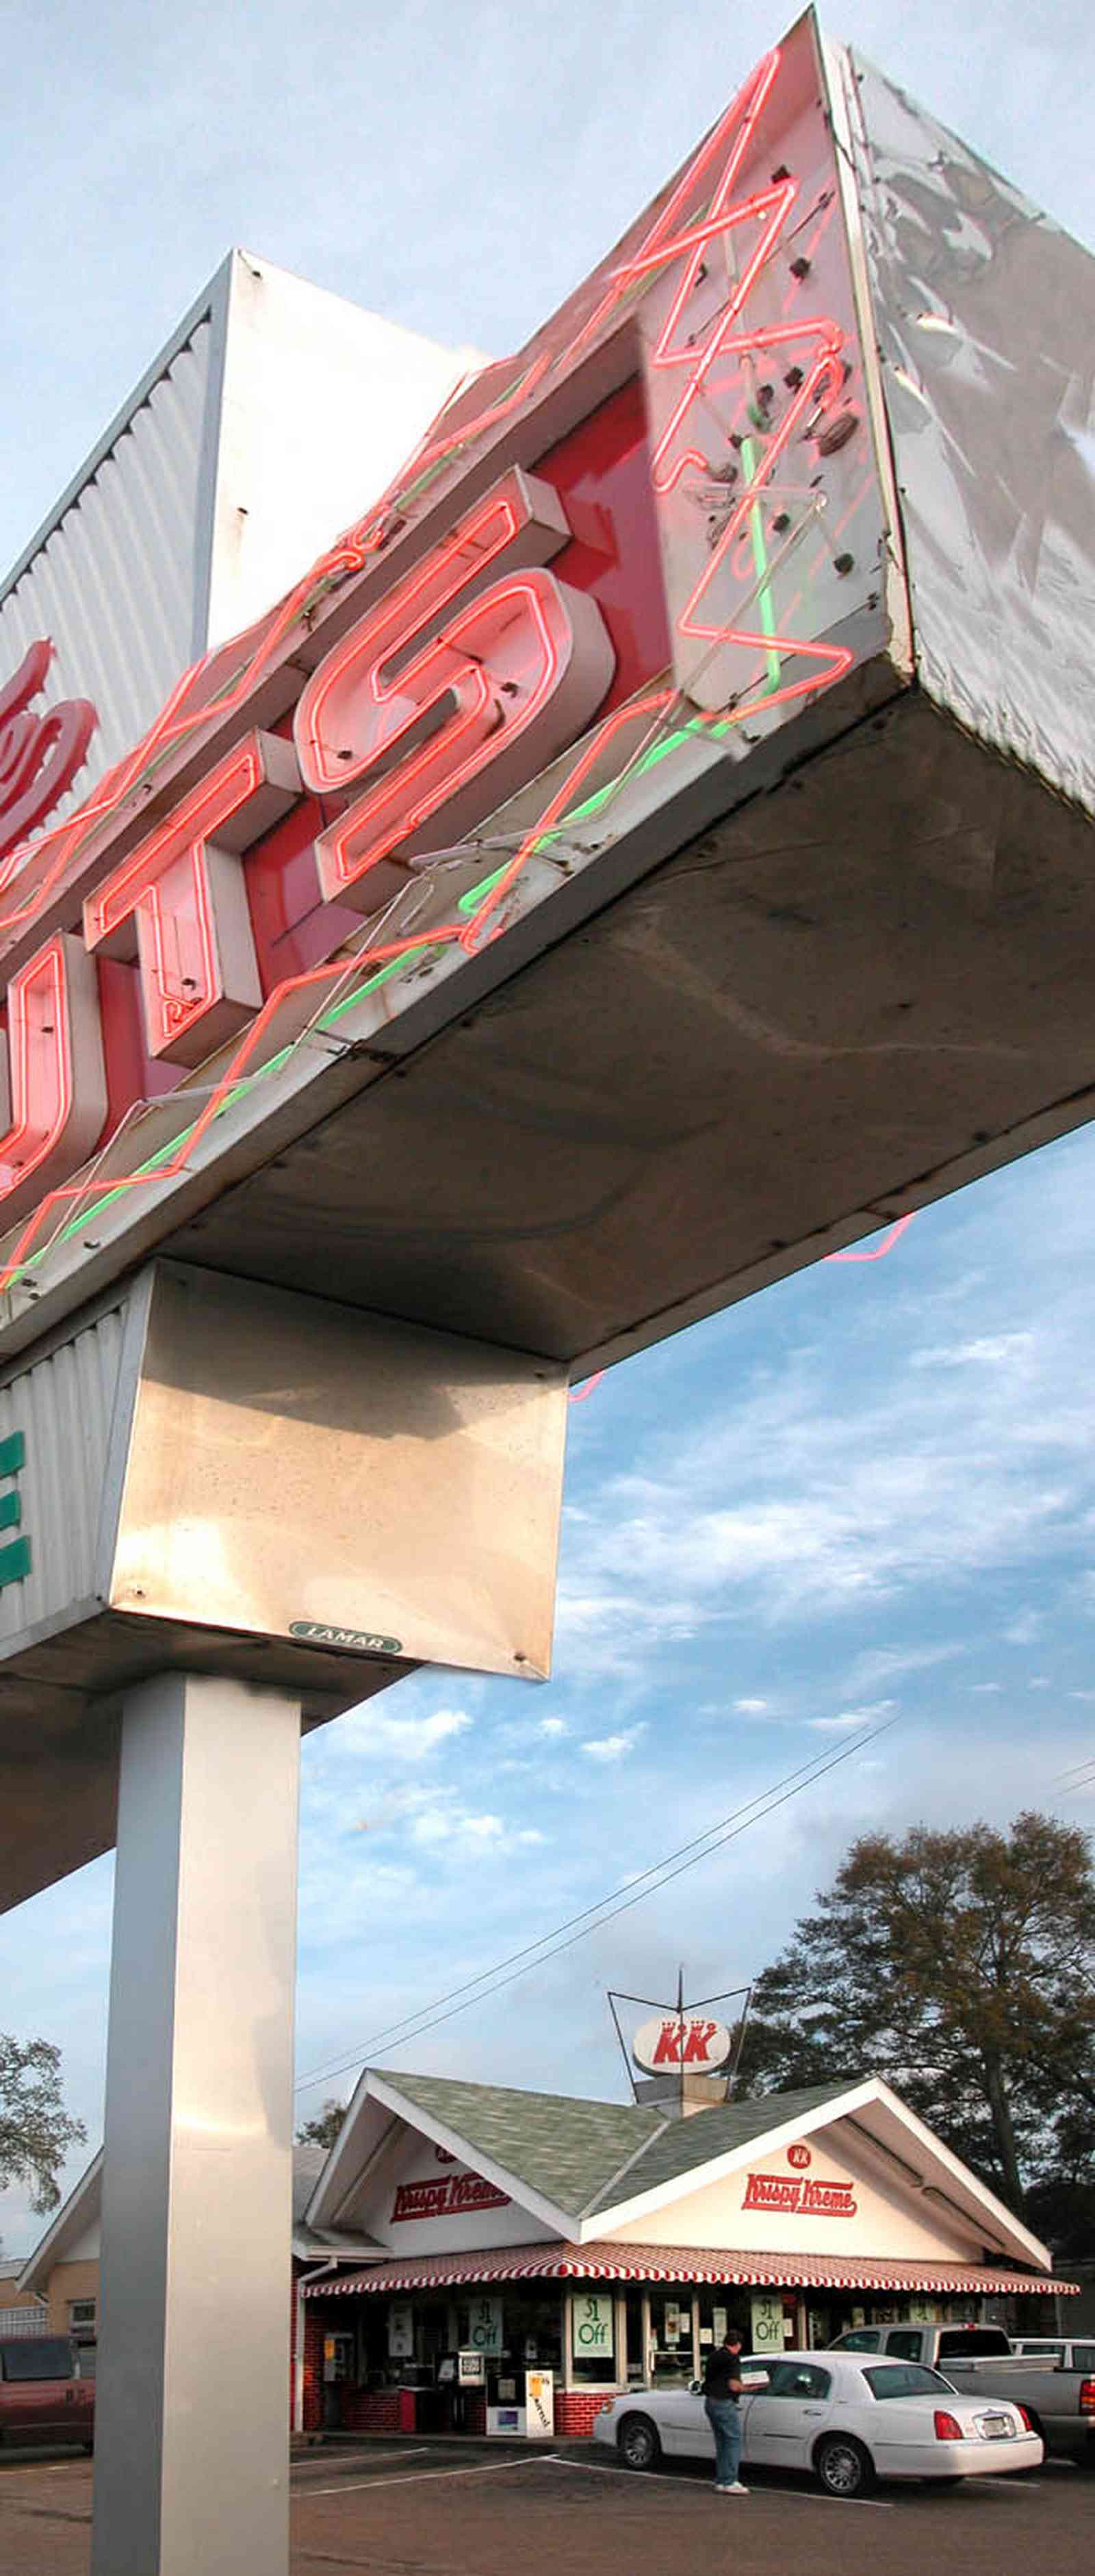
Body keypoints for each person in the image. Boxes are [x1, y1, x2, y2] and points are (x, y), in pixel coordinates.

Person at [702, 2326, 747, 2493]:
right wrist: (751, 2388)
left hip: (710, 2402)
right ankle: (730, 2481)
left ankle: (721, 2480)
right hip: (724, 2402)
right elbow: (734, 2385)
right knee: (733, 2441)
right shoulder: (733, 2359)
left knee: (721, 2442)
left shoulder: (714, 2356)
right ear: (738, 2345)